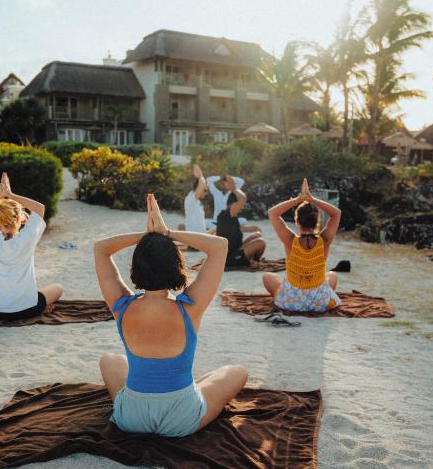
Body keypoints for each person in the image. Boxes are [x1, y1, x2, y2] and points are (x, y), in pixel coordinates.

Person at [95, 193, 248, 437]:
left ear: (136, 267)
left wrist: (146, 238)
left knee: (109, 361)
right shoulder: (190, 308)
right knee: (238, 371)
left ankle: (149, 397)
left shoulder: (121, 306)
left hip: (130, 418)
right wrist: (167, 234)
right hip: (181, 418)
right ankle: (187, 388)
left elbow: (101, 249)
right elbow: (219, 246)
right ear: (176, 265)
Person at [0, 172, 62, 320]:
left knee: (35, 293)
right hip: (24, 310)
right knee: (58, 288)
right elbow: (40, 209)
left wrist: (1, 195)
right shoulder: (25, 239)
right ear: (18, 217)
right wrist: (10, 194)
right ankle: (41, 306)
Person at [263, 178, 341, 313]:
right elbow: (336, 213)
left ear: (297, 221)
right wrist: (313, 199)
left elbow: (272, 213)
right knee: (333, 275)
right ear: (317, 221)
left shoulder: (290, 240)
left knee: (266, 277)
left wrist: (298, 199)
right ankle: (317, 295)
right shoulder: (324, 240)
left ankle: (297, 294)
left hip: (292, 302)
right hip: (320, 303)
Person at [216, 177, 266, 267]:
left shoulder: (229, 216)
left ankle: (252, 260)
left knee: (257, 235)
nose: (242, 207)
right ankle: (255, 261)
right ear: (232, 204)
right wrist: (234, 188)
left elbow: (236, 228)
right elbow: (243, 198)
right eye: (240, 205)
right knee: (260, 242)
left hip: (235, 249)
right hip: (230, 258)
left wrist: (253, 228)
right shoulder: (227, 214)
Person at [183, 163, 207, 233]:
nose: (206, 193)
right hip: (193, 238)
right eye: (205, 190)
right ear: (198, 188)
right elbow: (202, 185)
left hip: (199, 238)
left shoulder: (197, 201)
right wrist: (200, 176)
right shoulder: (190, 199)